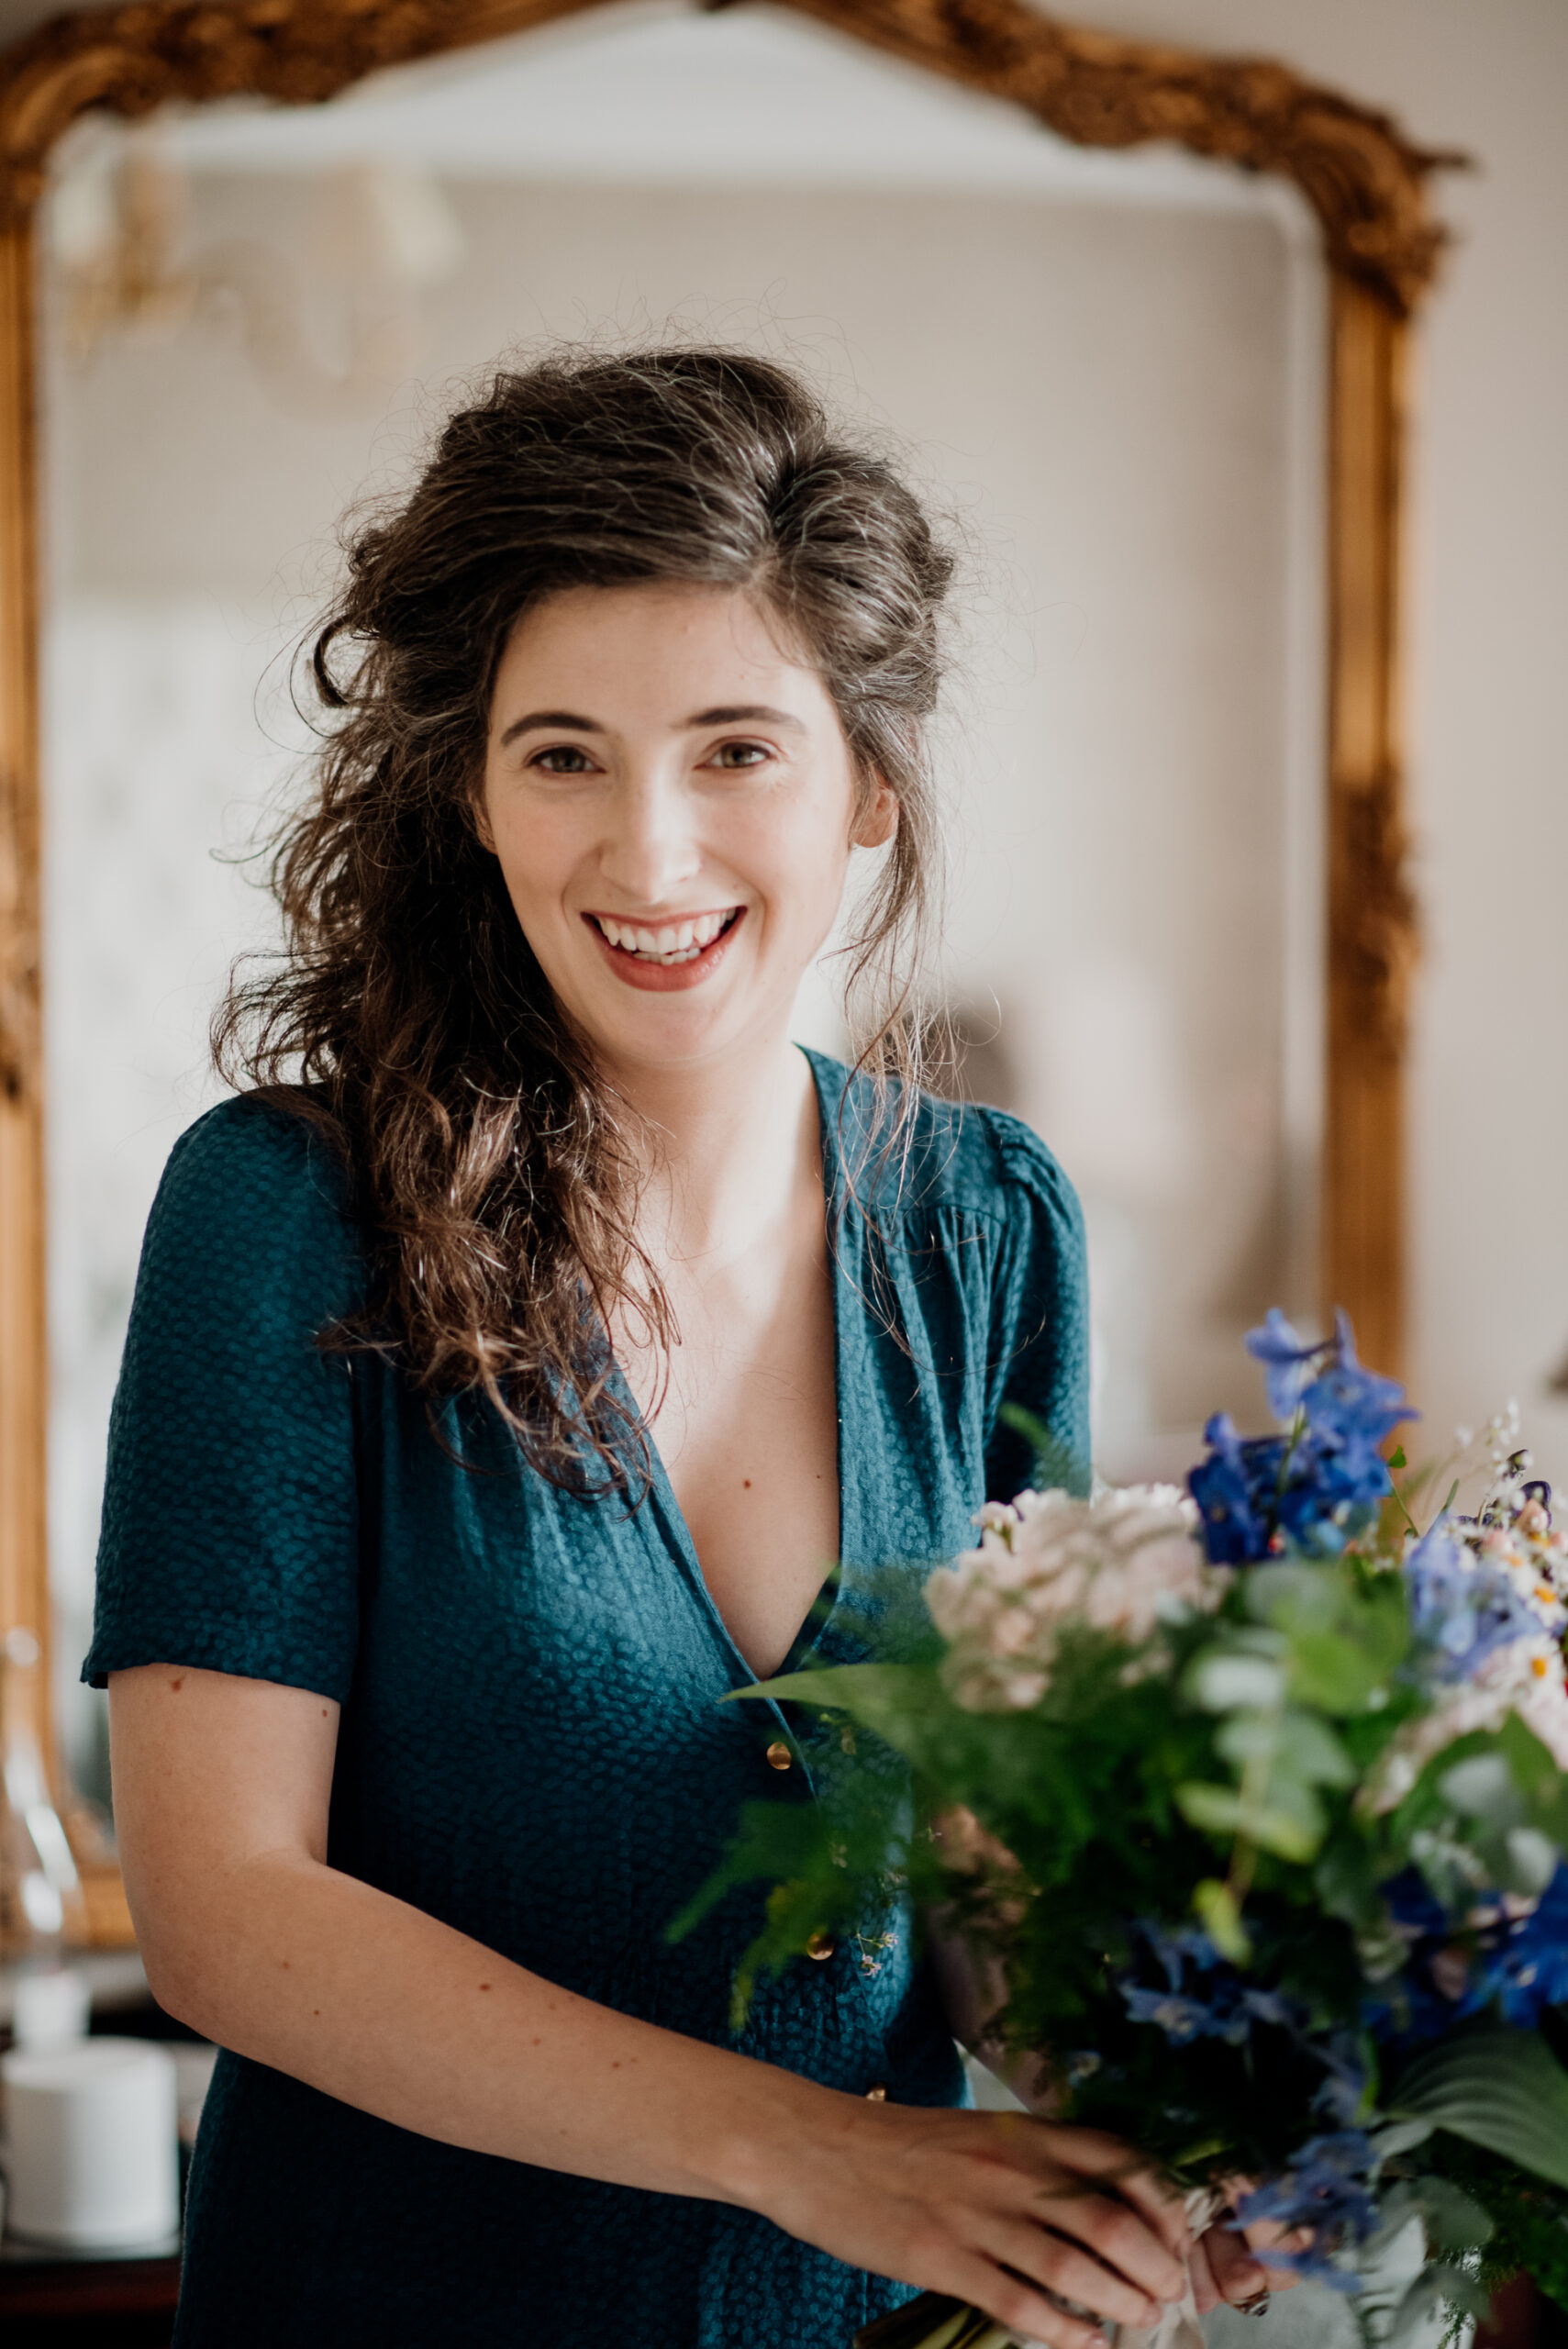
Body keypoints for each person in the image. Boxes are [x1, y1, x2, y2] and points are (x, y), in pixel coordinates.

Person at [89, 349, 1286, 2347]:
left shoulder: (989, 1228)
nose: (647, 854)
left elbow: (995, 1872)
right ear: (471, 789)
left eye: (736, 748)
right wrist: (808, 2146)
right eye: (563, 754)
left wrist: (1177, 2126)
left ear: (869, 784)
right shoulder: (283, 1209)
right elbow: (225, 1915)